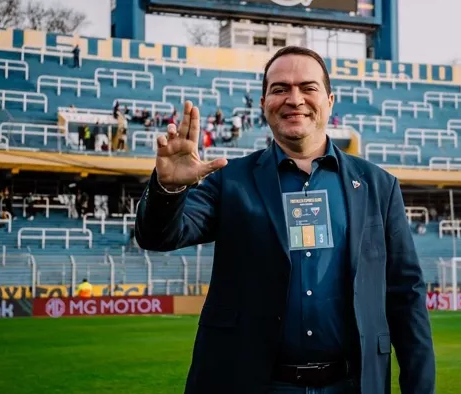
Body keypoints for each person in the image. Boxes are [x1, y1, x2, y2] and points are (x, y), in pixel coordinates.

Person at [135, 46, 435, 394]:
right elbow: (159, 236)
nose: (294, 99)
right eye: (280, 89)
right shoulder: (230, 180)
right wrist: (168, 189)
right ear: (264, 103)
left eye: (307, 87)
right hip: (252, 383)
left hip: (351, 384)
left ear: (330, 100)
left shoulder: (378, 186)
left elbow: (406, 295)